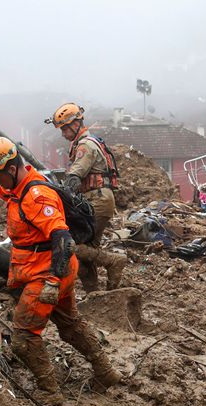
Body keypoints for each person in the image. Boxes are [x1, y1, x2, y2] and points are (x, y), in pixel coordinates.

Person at [0, 137, 121, 406]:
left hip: (49, 272)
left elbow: (64, 239)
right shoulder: (18, 185)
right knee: (69, 325)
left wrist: (52, 282)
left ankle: (50, 392)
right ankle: (106, 372)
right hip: (48, 269)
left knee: (23, 336)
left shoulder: (37, 196)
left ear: (10, 169)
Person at [48, 103, 129, 292]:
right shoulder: (87, 142)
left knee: (73, 245)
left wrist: (61, 196)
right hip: (97, 200)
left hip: (97, 201)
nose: (64, 134)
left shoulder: (85, 145)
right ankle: (95, 294)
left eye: (65, 128)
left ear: (76, 124)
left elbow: (75, 176)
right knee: (86, 252)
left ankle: (113, 261)